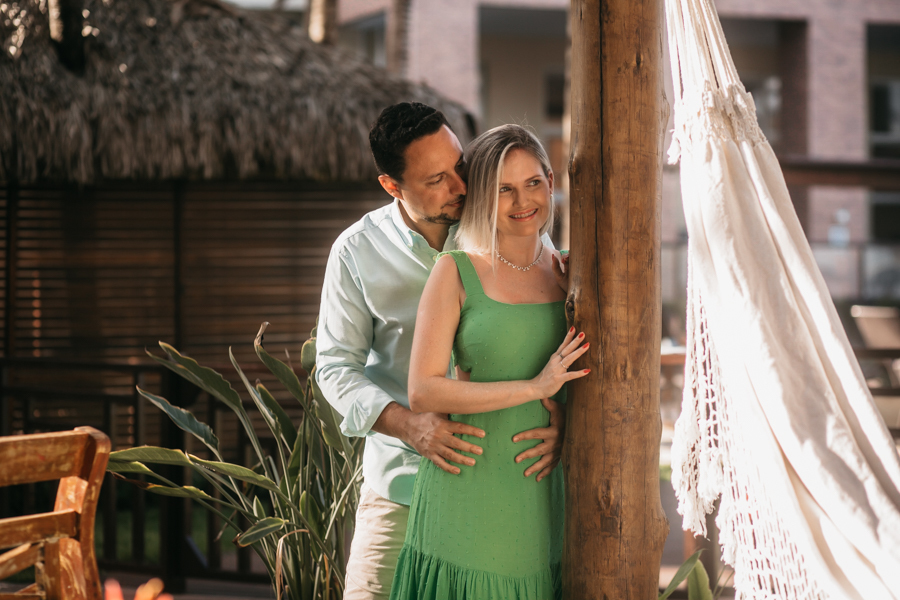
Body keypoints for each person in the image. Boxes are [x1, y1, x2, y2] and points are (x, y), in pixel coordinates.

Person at [315, 103, 566, 600]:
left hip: (500, 487)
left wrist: (563, 423)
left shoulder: (510, 226)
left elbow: (545, 337)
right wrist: (409, 425)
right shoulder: (357, 251)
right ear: (392, 186)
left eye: (459, 166)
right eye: (436, 180)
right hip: (400, 485)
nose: (460, 186)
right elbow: (335, 367)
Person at [389, 124, 591, 599]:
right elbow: (423, 390)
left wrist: (569, 424)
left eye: (532, 183)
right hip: (468, 490)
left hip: (544, 492)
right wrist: (534, 388)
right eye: (503, 189)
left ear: (551, 183)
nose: (522, 201)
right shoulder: (455, 271)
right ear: (482, 195)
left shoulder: (574, 274)